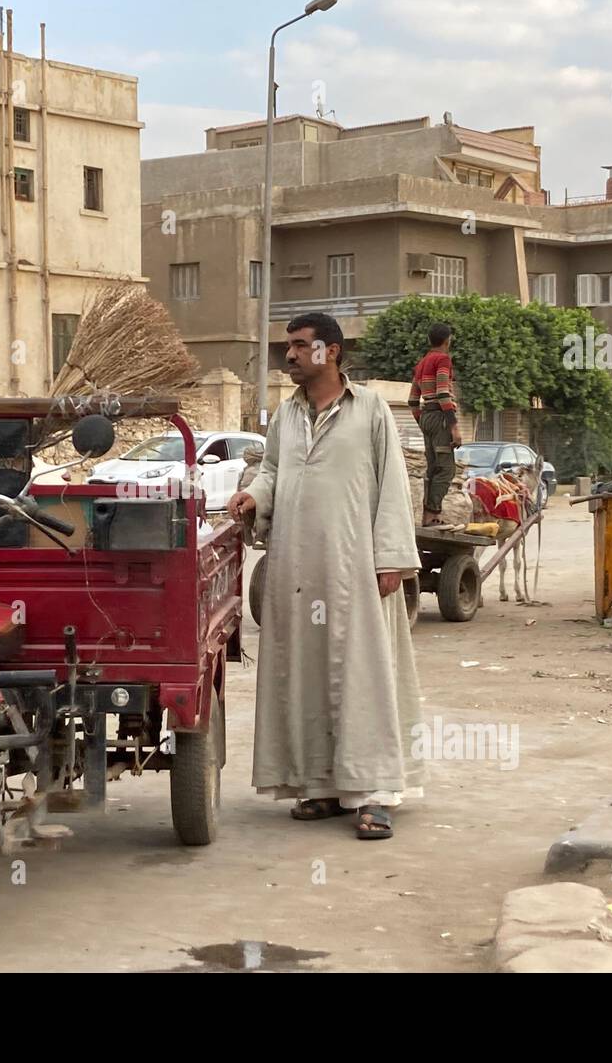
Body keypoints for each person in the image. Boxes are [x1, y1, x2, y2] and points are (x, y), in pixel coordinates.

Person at [227, 312, 425, 840]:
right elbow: (272, 471)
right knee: (304, 673)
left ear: (330, 351)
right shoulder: (286, 415)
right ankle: (318, 785)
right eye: (287, 347)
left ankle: (373, 793)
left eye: (298, 346)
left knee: (364, 678)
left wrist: (391, 558)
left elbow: (393, 485)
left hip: (355, 565)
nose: (288, 356)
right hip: (296, 566)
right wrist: (255, 496)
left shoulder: (372, 411)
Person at [409, 322, 461, 526]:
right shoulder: (443, 360)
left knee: (432, 468)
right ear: (447, 340)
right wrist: (454, 426)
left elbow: (413, 401)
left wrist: (422, 420)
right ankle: (433, 514)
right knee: (446, 469)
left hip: (428, 416)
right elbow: (442, 393)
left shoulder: (421, 364)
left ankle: (426, 513)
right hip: (440, 418)